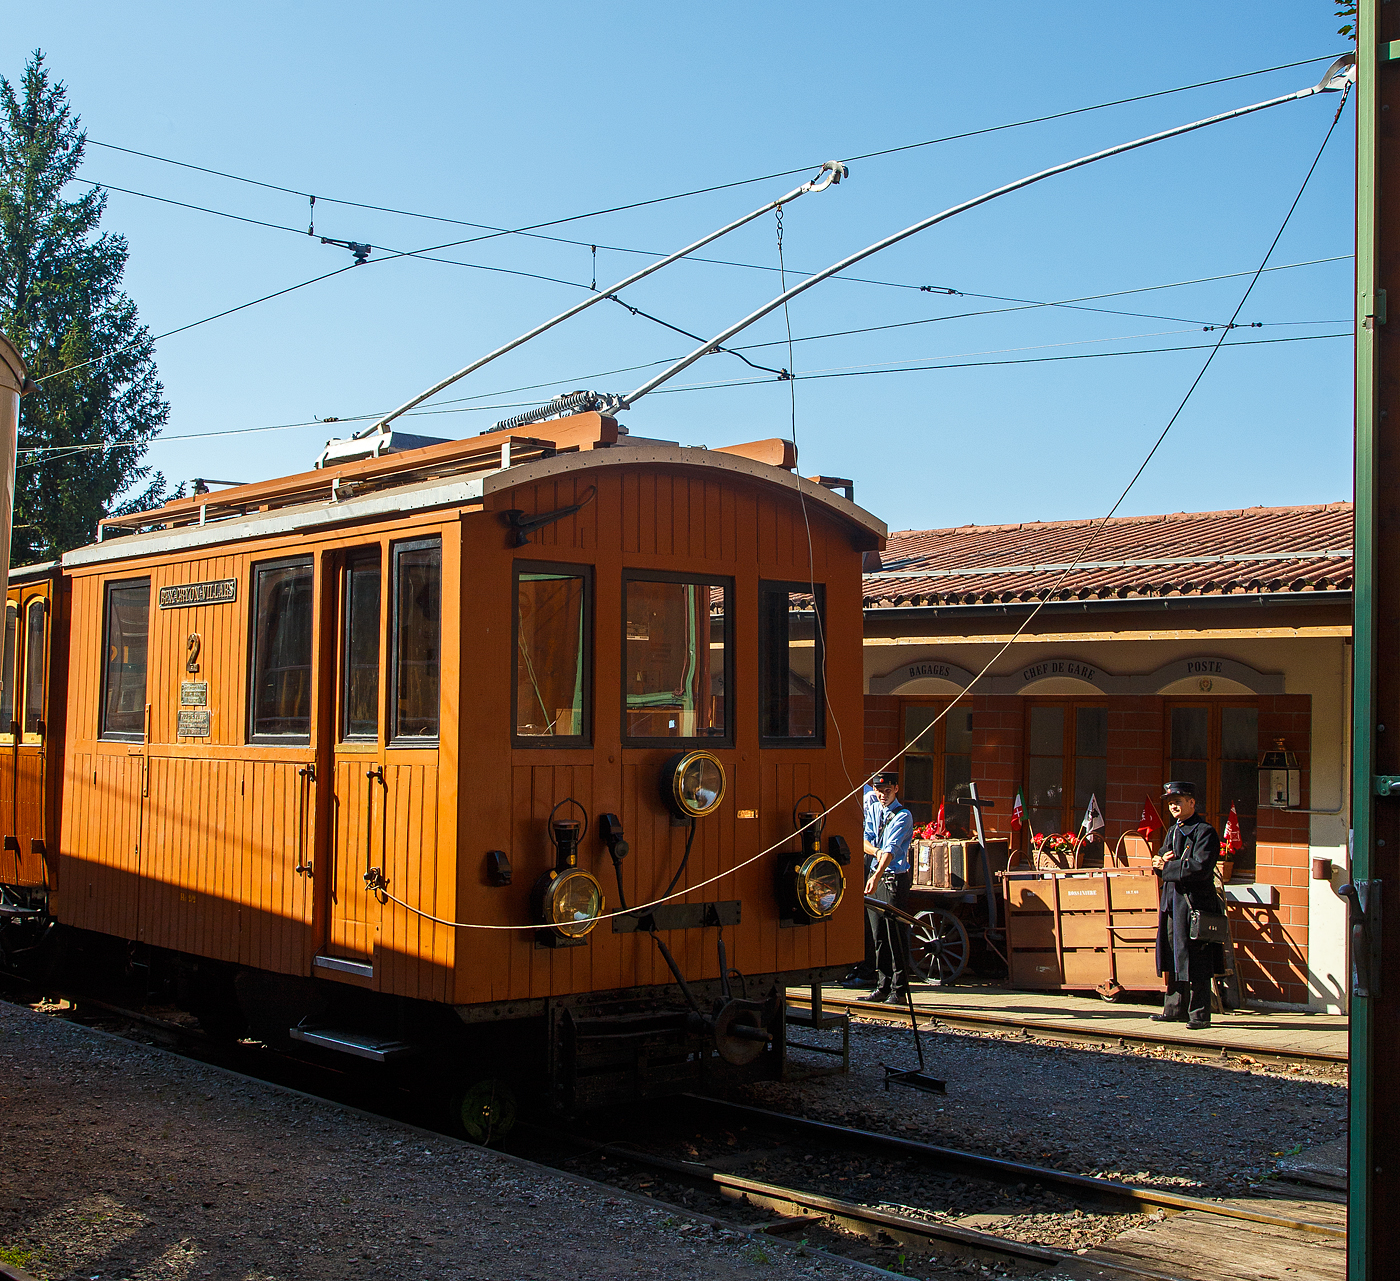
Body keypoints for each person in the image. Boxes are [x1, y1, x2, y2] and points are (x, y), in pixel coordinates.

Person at [1151, 781, 1225, 1030]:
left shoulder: (1205, 832)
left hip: (1194, 905)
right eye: (1170, 802)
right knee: (1173, 956)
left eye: (1178, 801)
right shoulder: (1173, 831)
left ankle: (1199, 1015)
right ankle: (1173, 1009)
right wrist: (1158, 861)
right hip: (1172, 903)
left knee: (1197, 959)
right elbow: (1160, 860)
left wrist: (1166, 866)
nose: (1173, 806)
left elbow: (1201, 868)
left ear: (1192, 803)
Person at [861, 770, 914, 1004]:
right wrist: (876, 853)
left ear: (896, 789)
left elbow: (891, 849)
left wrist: (876, 874)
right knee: (878, 934)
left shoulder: (903, 815)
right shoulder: (873, 810)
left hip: (893, 878)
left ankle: (900, 989)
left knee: (896, 935)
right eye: (879, 791)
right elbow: (864, 840)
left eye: (887, 790)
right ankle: (882, 985)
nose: (883, 795)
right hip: (876, 873)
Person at [839, 782, 880, 987]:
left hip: (864, 857)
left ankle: (867, 970)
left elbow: (869, 831)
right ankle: (857, 966)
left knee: (865, 915)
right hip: (850, 855)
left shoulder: (868, 796)